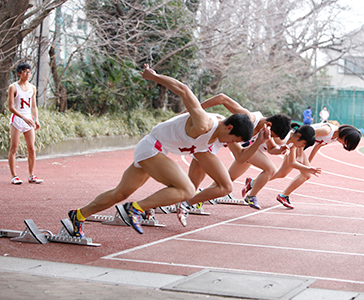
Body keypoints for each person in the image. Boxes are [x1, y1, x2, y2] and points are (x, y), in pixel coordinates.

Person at [67, 64, 260, 238]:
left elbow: (240, 154)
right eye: (232, 140)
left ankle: (78, 215)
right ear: (229, 128)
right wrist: (154, 76)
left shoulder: (221, 133)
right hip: (152, 147)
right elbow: (184, 90)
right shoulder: (204, 123)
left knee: (120, 193)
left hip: (158, 150)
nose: (230, 144)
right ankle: (136, 209)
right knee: (186, 189)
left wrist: (260, 140)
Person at [185, 93, 291, 211]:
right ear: (269, 124)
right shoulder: (249, 118)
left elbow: (271, 149)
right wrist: (195, 110)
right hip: (210, 140)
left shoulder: (265, 130)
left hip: (233, 148)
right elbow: (222, 98)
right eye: (272, 135)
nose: (270, 137)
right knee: (198, 183)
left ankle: (193, 199)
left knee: (225, 182)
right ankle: (175, 201)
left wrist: (280, 150)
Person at [271, 122, 361, 209]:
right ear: (345, 135)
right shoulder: (327, 130)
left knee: (282, 173)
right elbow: (303, 135)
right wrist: (299, 156)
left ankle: (259, 182)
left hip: (301, 145)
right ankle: (283, 195)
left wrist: (308, 164)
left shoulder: (335, 137)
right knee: (306, 175)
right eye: (346, 142)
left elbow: (318, 146)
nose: (344, 144)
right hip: (297, 142)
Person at [7, 62, 43, 185]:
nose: (27, 74)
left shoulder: (32, 88)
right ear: (19, 73)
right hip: (17, 119)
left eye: (29, 72)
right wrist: (22, 117)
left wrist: (36, 119)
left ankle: (31, 175)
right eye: (25, 72)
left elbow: (34, 106)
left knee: (31, 149)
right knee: (14, 148)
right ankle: (14, 175)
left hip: (28, 120)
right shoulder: (13, 87)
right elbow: (11, 107)